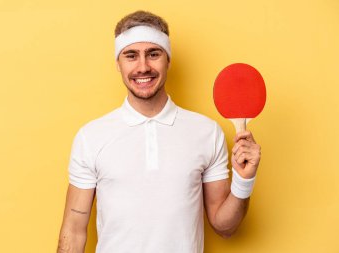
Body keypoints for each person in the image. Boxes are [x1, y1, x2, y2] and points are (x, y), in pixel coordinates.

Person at [57, 10, 261, 253]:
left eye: (153, 54)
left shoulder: (207, 132)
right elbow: (73, 230)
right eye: (131, 55)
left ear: (168, 60)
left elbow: (224, 226)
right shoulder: (91, 137)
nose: (143, 67)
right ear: (118, 63)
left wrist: (243, 180)